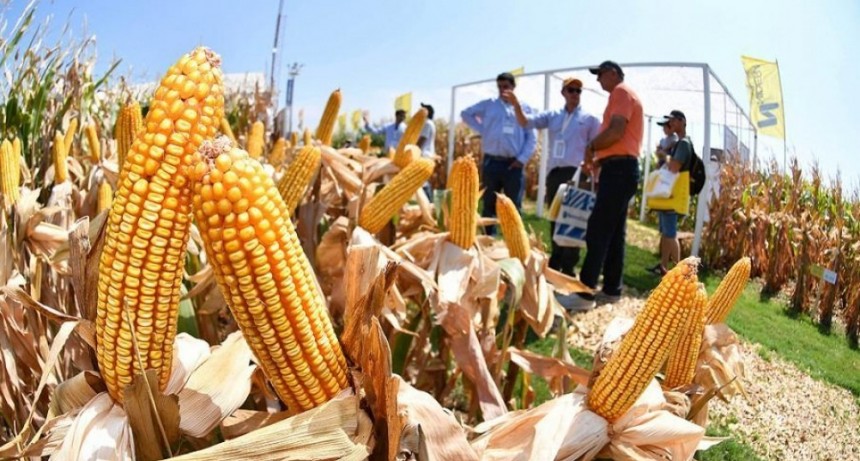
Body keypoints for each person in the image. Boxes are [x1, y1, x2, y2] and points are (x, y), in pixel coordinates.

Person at [565, 61, 644, 312]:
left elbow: (616, 130)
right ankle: (612, 288)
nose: (598, 80)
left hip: (619, 170)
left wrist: (592, 147)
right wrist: (600, 159)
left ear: (613, 73)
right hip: (621, 168)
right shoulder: (624, 94)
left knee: (598, 229)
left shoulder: (621, 92)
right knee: (615, 232)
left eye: (600, 75)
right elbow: (620, 137)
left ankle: (584, 293)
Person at [507, 77, 601, 276]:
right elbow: (525, 122)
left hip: (578, 174)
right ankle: (555, 262)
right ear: (563, 92)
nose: (575, 94)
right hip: (556, 173)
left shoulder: (590, 119)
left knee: (573, 220)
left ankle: (569, 267)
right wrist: (516, 105)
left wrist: (595, 175)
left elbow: (598, 148)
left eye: (578, 90)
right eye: (571, 90)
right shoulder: (552, 116)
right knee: (556, 216)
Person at [460, 72, 537, 233]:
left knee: (513, 207)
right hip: (492, 162)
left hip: (513, 164)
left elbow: (531, 137)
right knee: (489, 204)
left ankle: (515, 241)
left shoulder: (524, 108)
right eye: (500, 87)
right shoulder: (489, 105)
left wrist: (522, 159)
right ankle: (489, 239)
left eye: (506, 86)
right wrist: (483, 129)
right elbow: (465, 113)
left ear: (513, 87)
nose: (503, 90)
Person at [647, 110, 693, 275]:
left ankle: (679, 273)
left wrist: (663, 156)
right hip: (670, 195)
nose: (670, 124)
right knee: (667, 234)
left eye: (673, 121)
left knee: (671, 234)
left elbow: (674, 167)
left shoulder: (683, 144)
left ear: (682, 122)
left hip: (673, 195)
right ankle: (664, 267)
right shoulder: (681, 143)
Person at [417, 103, 437, 198]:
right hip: (428, 155)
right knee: (424, 181)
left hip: (424, 155)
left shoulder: (427, 124)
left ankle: (429, 201)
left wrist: (413, 150)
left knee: (423, 182)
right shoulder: (431, 123)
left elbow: (422, 140)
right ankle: (429, 201)